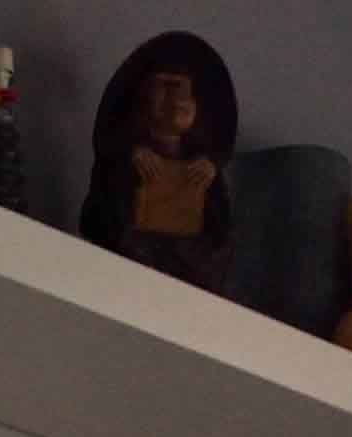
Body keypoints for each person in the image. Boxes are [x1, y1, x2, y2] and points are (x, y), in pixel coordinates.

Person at [80, 33, 238, 289]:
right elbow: (96, 221)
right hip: (126, 275)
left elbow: (221, 238)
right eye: (165, 86)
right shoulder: (122, 160)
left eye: (184, 89)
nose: (177, 99)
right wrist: (128, 159)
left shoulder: (206, 171)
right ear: (143, 97)